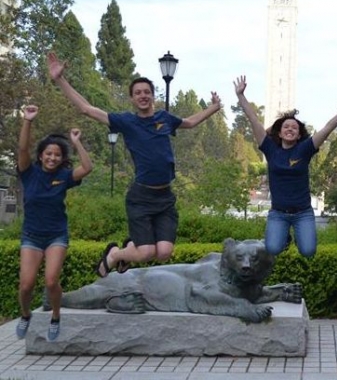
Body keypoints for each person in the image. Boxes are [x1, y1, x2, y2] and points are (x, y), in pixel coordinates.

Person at [48, 52, 221, 276]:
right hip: (141, 197)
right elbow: (87, 109)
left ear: (153, 96)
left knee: (165, 252)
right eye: (138, 93)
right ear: (132, 98)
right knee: (147, 252)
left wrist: (213, 108)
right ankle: (115, 255)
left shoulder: (164, 118)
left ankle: (130, 248)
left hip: (165, 197)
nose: (143, 96)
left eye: (147, 92)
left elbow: (189, 122)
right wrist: (60, 80)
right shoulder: (126, 122)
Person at [234, 75, 337, 258]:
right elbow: (254, 120)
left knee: (308, 251)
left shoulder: (305, 149)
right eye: (286, 127)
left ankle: (295, 236)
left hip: (303, 213)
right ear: (280, 132)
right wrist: (241, 96)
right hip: (278, 213)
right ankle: (284, 238)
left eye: (294, 127)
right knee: (273, 249)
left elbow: (327, 129)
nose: (290, 129)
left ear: (299, 134)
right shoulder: (270, 149)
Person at [16, 105, 93, 341]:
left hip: (56, 236)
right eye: (48, 153)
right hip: (32, 235)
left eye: (57, 155)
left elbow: (87, 168)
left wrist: (76, 141)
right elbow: (22, 148)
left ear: (62, 159)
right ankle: (26, 314)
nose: (52, 157)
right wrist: (28, 120)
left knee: (51, 281)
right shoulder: (28, 173)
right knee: (26, 285)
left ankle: (56, 316)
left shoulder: (64, 177)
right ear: (41, 155)